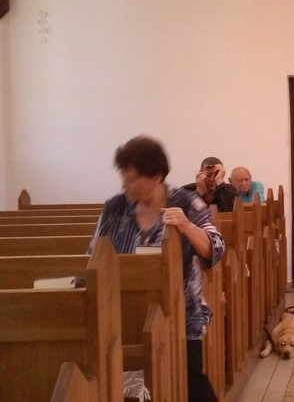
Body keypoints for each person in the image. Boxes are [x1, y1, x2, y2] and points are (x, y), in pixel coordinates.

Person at [88, 136, 224, 402]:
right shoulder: (115, 209)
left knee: (190, 383)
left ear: (156, 176)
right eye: (123, 177)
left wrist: (186, 226)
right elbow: (95, 257)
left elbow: (216, 249)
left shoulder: (186, 202)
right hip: (123, 316)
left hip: (181, 316)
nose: (124, 185)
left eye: (132, 179)